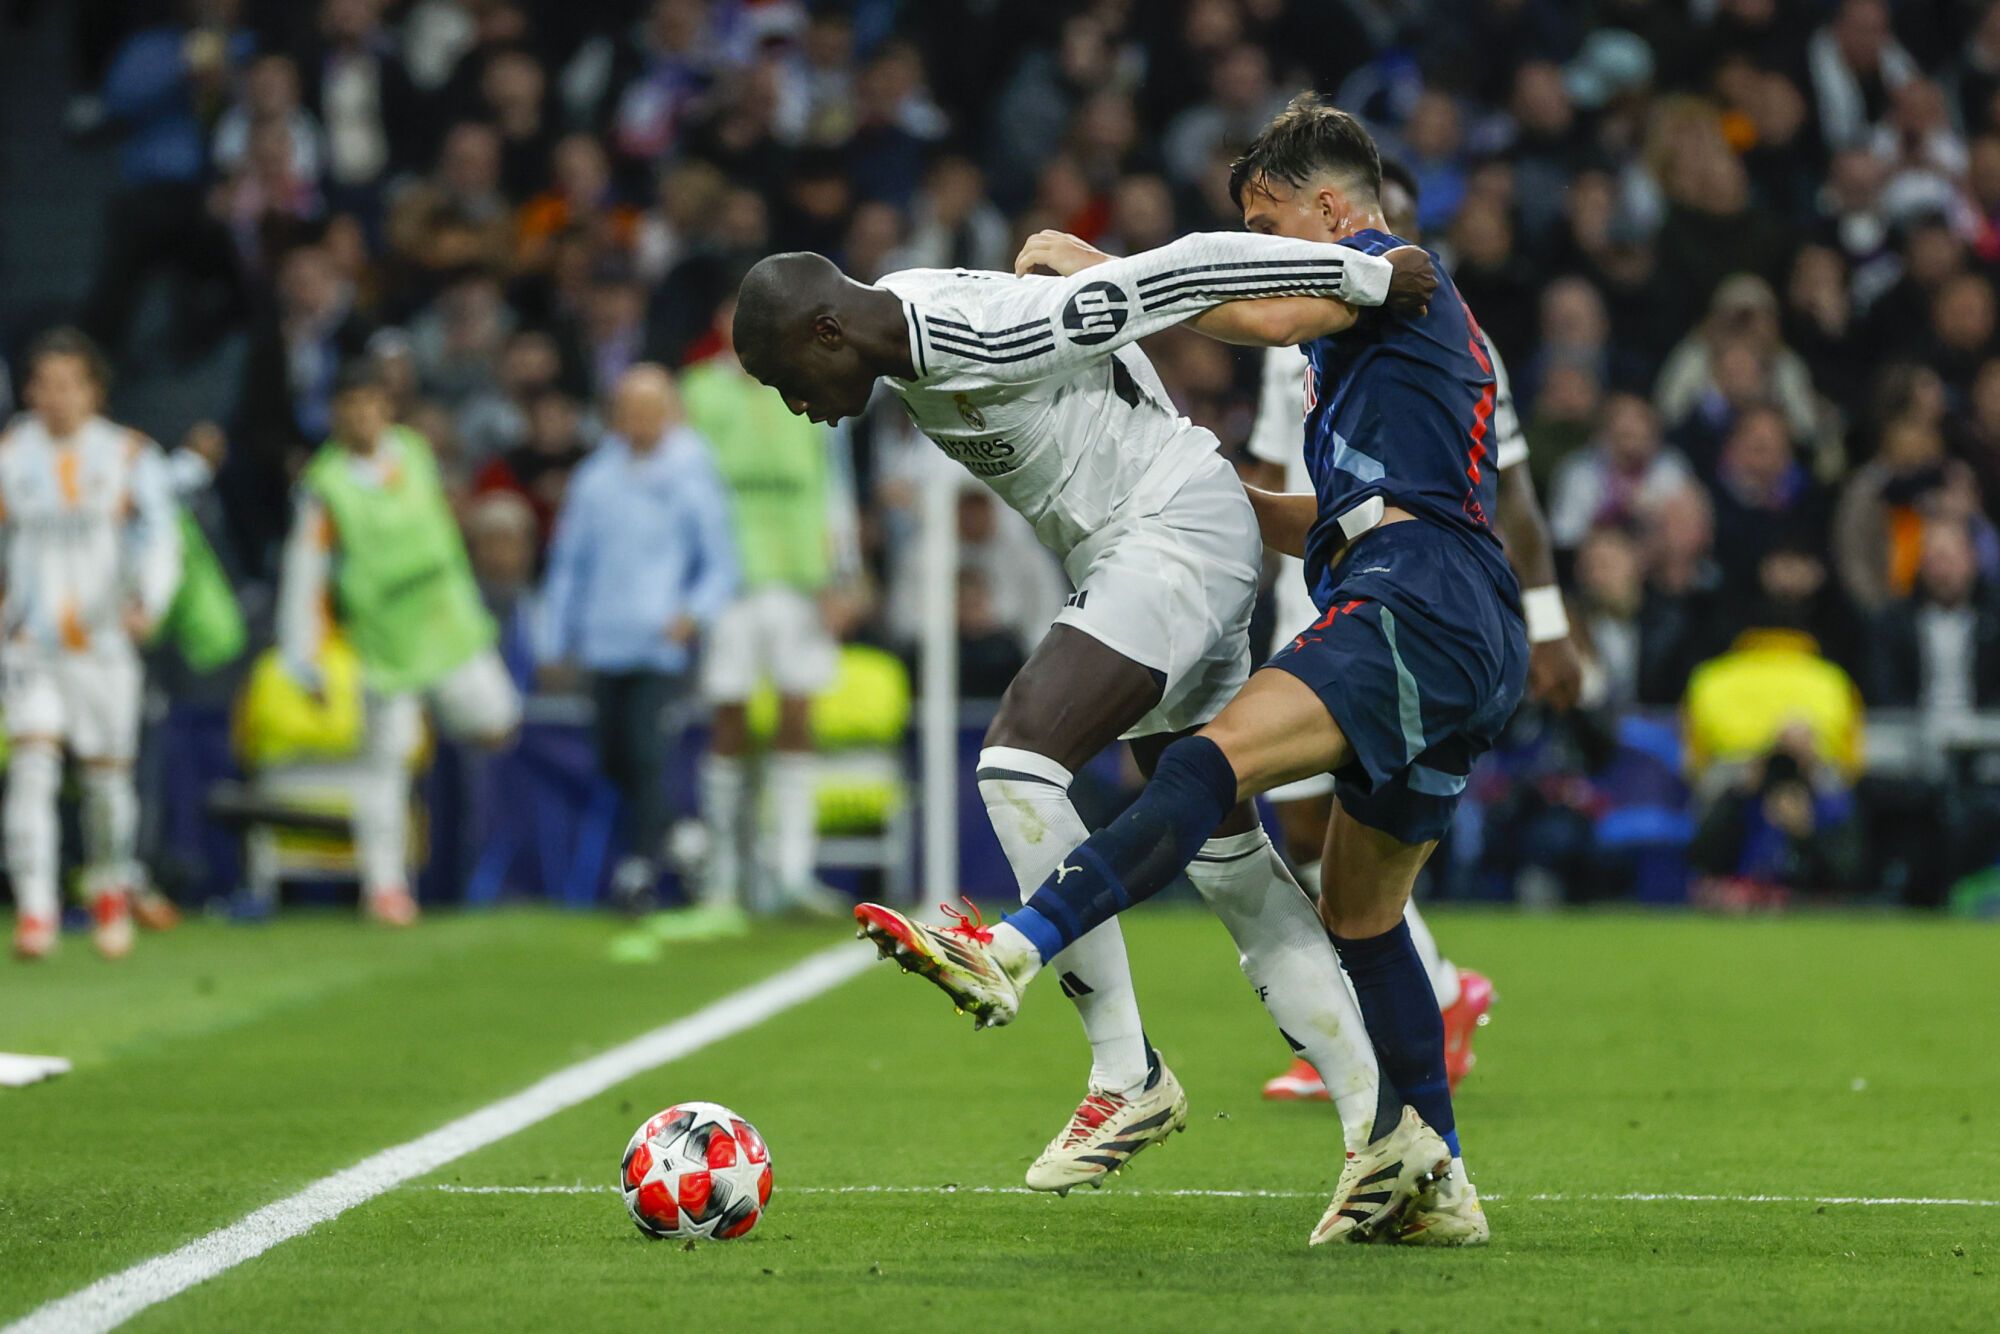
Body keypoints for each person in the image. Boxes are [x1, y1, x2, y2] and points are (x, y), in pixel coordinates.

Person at [855, 96, 1521, 1247]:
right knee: (1361, 914)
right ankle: (1435, 1176)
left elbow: (1254, 313)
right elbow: (1352, 499)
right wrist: (1237, 502)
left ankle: (1014, 942)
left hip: (1413, 596)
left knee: (1211, 761)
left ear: (1325, 210)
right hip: (1444, 596)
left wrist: (1106, 274)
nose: (1258, 246)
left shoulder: (1380, 265)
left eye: (1267, 224)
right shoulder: (1370, 340)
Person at [731, 180, 1437, 1205]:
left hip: (1173, 531)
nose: (792, 403)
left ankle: (1125, 1071)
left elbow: (1179, 274)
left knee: (1017, 754)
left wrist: (1361, 275)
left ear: (829, 329)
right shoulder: (909, 336)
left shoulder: (983, 329)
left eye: (784, 376)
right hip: (1147, 550)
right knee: (1230, 861)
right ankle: (1384, 1134)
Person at [1241, 154, 1579, 1103]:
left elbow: (1510, 493)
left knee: (1320, 807)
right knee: (1304, 815)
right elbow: (1274, 472)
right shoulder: (1292, 329)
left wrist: (1548, 623)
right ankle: (1418, 1003)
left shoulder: (1447, 328)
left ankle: (1397, 1014)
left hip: (1408, 583)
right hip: (1314, 578)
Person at [276, 360, 520, 925]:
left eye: (371, 405)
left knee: (499, 723)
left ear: (386, 409)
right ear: (336, 416)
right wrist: (303, 660)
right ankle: (385, 889)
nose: (362, 418)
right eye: (350, 408)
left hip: (447, 626)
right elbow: (303, 578)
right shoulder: (324, 488)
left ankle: (438, 759)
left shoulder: (412, 451)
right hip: (386, 645)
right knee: (383, 768)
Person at [2, 330, 181, 960]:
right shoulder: (9, 453)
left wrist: (150, 602)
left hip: (103, 645)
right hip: (31, 644)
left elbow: (162, 538)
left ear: (93, 390)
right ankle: (37, 911)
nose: (53, 397)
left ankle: (109, 887)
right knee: (31, 768)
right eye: (42, 383)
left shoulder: (129, 455)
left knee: (107, 784)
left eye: (67, 383)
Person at [541, 364, 737, 916]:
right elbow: (568, 564)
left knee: (649, 753)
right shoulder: (594, 480)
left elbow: (720, 561)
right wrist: (556, 636)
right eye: (630, 409)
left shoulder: (692, 474)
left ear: (668, 411)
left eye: (651, 409)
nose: (641, 420)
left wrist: (692, 613)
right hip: (605, 640)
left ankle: (639, 869)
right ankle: (682, 839)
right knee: (614, 756)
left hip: (660, 642)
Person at [680, 309, 852, 915]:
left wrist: (843, 575)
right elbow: (684, 487)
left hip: (800, 579)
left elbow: (833, 485)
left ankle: (791, 873)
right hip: (728, 582)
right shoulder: (699, 391)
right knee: (727, 718)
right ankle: (724, 879)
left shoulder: (808, 380)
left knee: (797, 716)